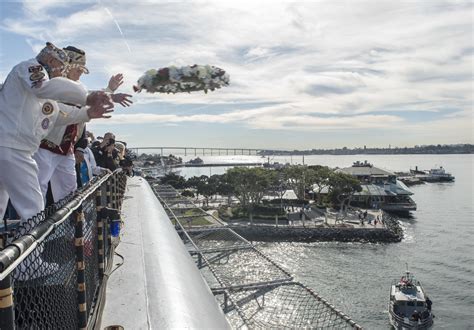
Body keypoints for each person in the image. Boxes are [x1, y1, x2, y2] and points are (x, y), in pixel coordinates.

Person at [0, 42, 113, 222]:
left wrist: (87, 113)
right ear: (51, 61)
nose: (61, 75)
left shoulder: (41, 93)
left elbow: (58, 114)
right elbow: (45, 88)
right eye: (61, 69)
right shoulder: (32, 68)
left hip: (11, 148)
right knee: (34, 211)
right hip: (14, 149)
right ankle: (35, 250)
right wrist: (86, 97)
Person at [34, 46, 131, 202]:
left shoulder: (76, 88)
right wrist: (108, 94)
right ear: (67, 66)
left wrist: (110, 91)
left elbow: (85, 102)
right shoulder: (51, 84)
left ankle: (69, 224)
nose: (80, 74)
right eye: (78, 69)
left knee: (69, 191)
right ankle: (35, 225)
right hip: (44, 145)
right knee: (38, 189)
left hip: (66, 149)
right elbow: (78, 104)